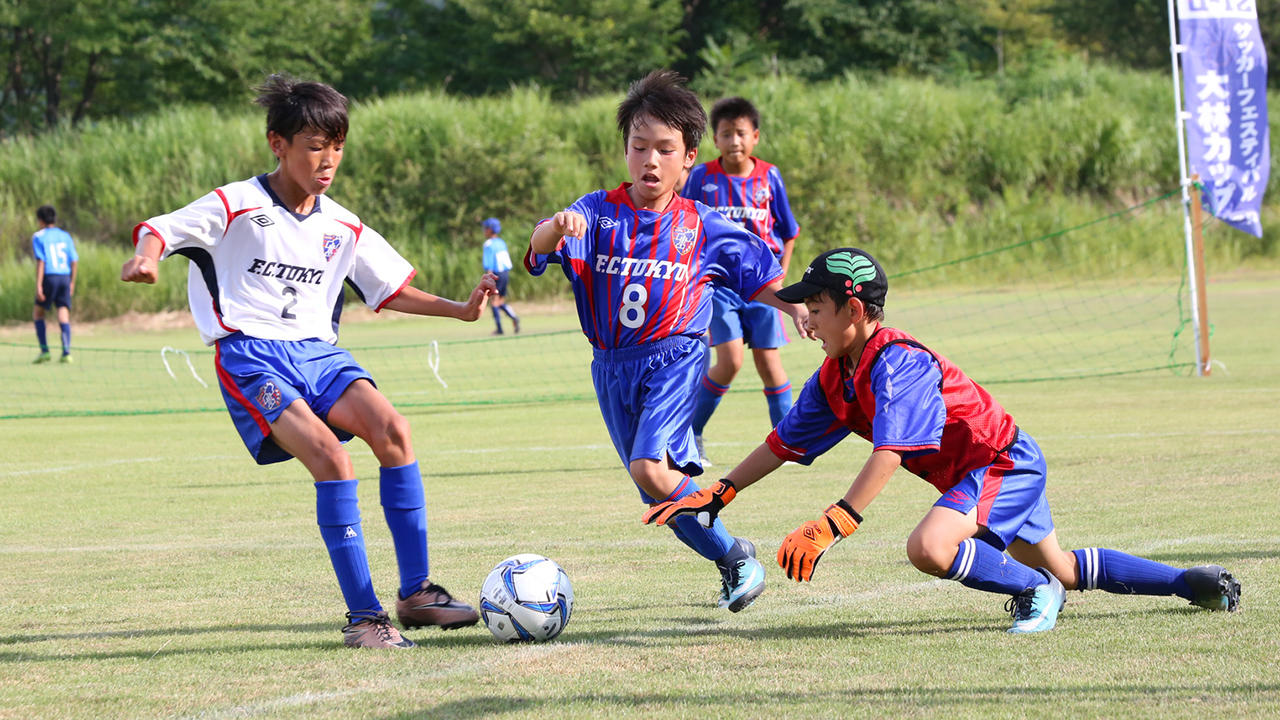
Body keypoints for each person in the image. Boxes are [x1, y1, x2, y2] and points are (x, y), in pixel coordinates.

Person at [644, 247, 1242, 633]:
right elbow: (782, 444)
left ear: (853, 309)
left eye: (816, 308)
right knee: (1063, 566)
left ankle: (1034, 593)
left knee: (929, 546)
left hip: (1003, 463)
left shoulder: (896, 362)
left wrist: (836, 520)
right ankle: (1188, 583)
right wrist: (718, 494)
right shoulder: (835, 374)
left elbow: (891, 451)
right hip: (979, 475)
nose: (806, 320)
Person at [121, 74, 498, 649]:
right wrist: (145, 260)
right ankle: (365, 620)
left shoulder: (341, 224)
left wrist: (460, 310)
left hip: (320, 355)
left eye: (338, 145)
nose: (329, 160)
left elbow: (388, 288)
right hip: (250, 356)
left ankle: (417, 593)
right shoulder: (236, 203)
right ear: (279, 144)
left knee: (394, 430)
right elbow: (161, 230)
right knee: (330, 457)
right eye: (315, 145)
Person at [525, 70, 810, 613]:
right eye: (638, 147)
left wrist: (796, 305)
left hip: (676, 355)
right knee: (658, 490)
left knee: (650, 469)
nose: (649, 161)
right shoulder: (595, 212)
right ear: (625, 150)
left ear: (688, 158)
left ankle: (738, 560)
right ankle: (732, 556)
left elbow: (759, 275)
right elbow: (539, 247)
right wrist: (555, 229)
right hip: (611, 366)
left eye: (664, 149)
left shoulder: (702, 225)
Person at [680, 97, 800, 466]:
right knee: (729, 362)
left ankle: (791, 443)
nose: (734, 140)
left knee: (770, 365)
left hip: (765, 287)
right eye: (726, 134)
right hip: (720, 290)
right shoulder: (702, 177)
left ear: (755, 137)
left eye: (741, 133)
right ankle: (692, 433)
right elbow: (683, 223)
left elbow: (789, 231)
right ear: (715, 140)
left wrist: (781, 276)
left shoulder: (769, 177)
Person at [31, 205, 79, 364]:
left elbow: (41, 261)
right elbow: (74, 261)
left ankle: (44, 351)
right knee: (63, 313)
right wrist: (72, 282)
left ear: (40, 220)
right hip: (64, 277)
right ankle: (66, 352)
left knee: (38, 313)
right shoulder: (65, 235)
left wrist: (38, 285)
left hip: (49, 276)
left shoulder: (38, 236)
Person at [481, 217, 520, 334]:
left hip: (496, 274)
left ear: (489, 230)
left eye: (485, 228)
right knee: (500, 301)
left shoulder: (488, 244)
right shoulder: (501, 242)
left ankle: (499, 329)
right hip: (505, 273)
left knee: (493, 302)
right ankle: (514, 318)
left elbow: (489, 263)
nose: (483, 231)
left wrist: (489, 277)